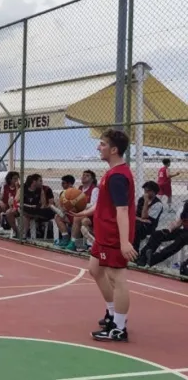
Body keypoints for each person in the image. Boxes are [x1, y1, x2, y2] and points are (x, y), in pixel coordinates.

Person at [76, 129, 137, 342]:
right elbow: (105, 204)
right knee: (95, 270)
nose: (98, 147)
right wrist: (85, 212)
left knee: (117, 277)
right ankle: (112, 313)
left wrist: (124, 242)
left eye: (102, 144)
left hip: (113, 235)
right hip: (104, 233)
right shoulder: (111, 173)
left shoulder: (118, 176)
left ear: (114, 149)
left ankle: (119, 328)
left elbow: (122, 210)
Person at [136, 199, 187, 268]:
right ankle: (143, 257)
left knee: (180, 239)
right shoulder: (186, 206)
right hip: (185, 231)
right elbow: (179, 222)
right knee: (157, 234)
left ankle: (152, 259)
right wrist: (169, 229)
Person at [132, 181, 163, 252]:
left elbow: (144, 216)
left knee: (137, 227)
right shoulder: (141, 199)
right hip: (138, 222)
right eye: (145, 190)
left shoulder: (158, 204)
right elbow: (134, 215)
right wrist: (140, 219)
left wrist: (146, 201)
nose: (145, 192)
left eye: (148, 191)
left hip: (148, 227)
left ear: (154, 192)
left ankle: (135, 252)